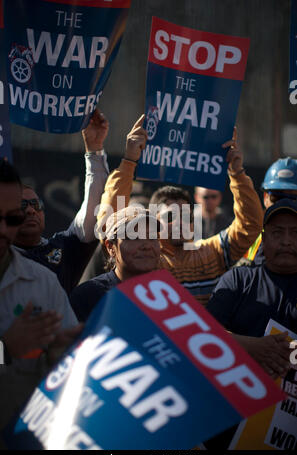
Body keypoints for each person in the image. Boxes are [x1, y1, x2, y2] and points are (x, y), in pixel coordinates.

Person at [96, 115, 263, 305]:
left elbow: (251, 225)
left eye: (186, 215)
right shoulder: (145, 259)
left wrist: (237, 173)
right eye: (170, 216)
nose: (179, 222)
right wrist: (129, 161)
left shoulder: (212, 252)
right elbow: (108, 225)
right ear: (152, 221)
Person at [0, 159, 81, 437]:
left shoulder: (43, 280)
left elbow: (67, 367)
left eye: (12, 218)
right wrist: (6, 348)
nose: (3, 229)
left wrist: (60, 352)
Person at [13, 109, 110, 294]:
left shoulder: (65, 247)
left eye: (36, 205)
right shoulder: (5, 258)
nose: (31, 211)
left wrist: (95, 148)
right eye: (22, 206)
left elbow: (95, 206)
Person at [207, 198, 297, 377]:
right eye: (277, 233)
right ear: (263, 238)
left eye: (295, 233)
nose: (286, 241)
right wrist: (251, 347)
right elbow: (203, 334)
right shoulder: (237, 280)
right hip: (237, 396)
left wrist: (289, 353)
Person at [70, 206, 161, 321]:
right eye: (134, 237)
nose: (147, 246)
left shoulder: (170, 293)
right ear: (110, 247)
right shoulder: (88, 296)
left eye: (153, 237)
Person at [245, 157, 297, 264]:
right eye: (277, 198)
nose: (284, 204)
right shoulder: (249, 235)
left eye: (294, 199)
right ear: (265, 198)